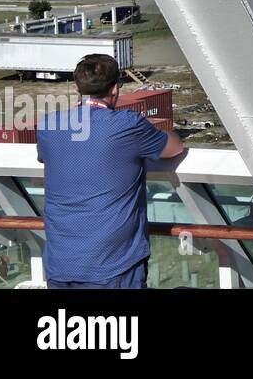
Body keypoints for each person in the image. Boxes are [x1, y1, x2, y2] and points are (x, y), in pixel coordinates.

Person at [36, 53, 185, 289]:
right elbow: (174, 147)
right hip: (113, 265)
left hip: (61, 263)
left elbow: (58, 158)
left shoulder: (49, 124)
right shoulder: (127, 124)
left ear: (78, 88)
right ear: (115, 89)